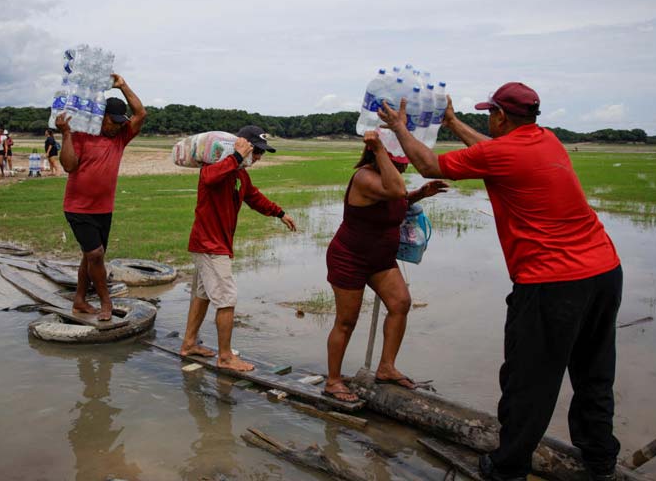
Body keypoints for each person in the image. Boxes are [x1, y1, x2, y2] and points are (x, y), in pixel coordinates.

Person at [378, 82, 622, 481]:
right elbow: (489, 151)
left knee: (529, 379)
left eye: (489, 113)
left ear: (501, 116)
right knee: (594, 371)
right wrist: (454, 122)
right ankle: (600, 461)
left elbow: (430, 167)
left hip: (552, 281)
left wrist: (400, 127)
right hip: (604, 271)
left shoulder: (503, 152)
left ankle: (507, 469)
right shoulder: (547, 140)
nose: (488, 120)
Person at [323, 131, 448, 402]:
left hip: (380, 259)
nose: (404, 166)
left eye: (404, 163)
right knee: (346, 322)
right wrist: (379, 148)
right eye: (399, 161)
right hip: (350, 258)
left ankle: (386, 367)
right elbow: (395, 191)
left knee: (401, 303)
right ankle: (333, 381)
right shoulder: (365, 177)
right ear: (379, 156)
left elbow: (398, 198)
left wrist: (420, 194)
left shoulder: (389, 180)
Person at [180, 126, 298, 372]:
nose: (258, 158)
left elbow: (254, 197)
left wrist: (280, 213)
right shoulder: (217, 170)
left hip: (214, 244)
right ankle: (225, 357)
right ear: (243, 147)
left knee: (202, 295)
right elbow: (210, 178)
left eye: (261, 154)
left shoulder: (240, 175)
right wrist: (235, 156)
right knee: (227, 300)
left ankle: (189, 343)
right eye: (256, 152)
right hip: (210, 245)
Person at [56, 74, 146, 321]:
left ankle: (80, 300)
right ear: (100, 117)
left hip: (103, 209)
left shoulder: (120, 138)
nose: (116, 126)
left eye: (119, 122)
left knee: (91, 256)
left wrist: (123, 85)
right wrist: (65, 134)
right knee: (95, 255)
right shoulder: (82, 135)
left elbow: (141, 114)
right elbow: (69, 166)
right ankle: (106, 302)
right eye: (112, 121)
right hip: (78, 207)